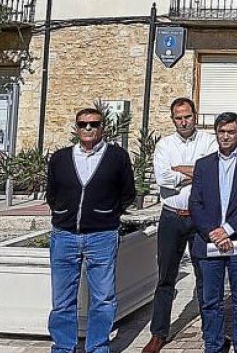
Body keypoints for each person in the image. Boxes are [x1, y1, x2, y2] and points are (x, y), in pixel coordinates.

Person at [45, 107, 137, 353]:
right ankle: (64, 347)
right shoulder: (60, 158)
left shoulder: (117, 157)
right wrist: (64, 214)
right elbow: (52, 194)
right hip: (64, 235)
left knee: (104, 298)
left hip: (102, 236)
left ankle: (97, 346)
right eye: (83, 124)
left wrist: (106, 213)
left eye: (94, 124)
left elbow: (128, 193)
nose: (88, 128)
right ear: (76, 128)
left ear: (102, 128)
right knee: (62, 299)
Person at [143, 97, 218, 353]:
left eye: (187, 116)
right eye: (178, 117)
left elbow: (211, 173)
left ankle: (211, 333)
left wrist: (180, 171)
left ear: (195, 116)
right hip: (172, 216)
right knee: (165, 277)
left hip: (200, 218)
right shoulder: (165, 145)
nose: (183, 121)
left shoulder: (208, 141)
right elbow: (162, 177)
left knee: (205, 277)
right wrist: (193, 171)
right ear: (173, 119)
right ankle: (158, 333)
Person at [189, 113, 237, 353]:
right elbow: (195, 203)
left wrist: (228, 229)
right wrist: (212, 232)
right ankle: (213, 345)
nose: (225, 136)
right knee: (211, 301)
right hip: (209, 241)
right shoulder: (203, 165)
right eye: (221, 131)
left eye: (230, 132)